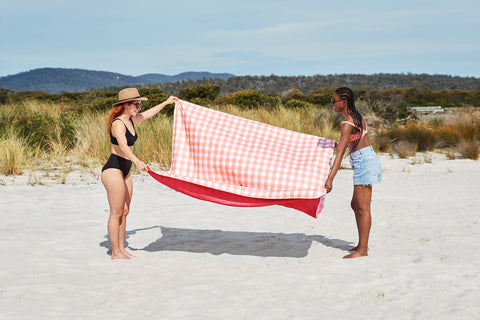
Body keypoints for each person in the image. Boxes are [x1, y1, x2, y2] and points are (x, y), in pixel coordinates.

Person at [101, 88, 178, 259]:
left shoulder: (131, 120)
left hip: (125, 169)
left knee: (125, 211)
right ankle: (115, 252)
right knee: (116, 212)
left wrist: (166, 103)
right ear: (125, 105)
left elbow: (149, 114)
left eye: (140, 104)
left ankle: (121, 249)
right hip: (113, 169)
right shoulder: (118, 123)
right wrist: (136, 160)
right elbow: (122, 145)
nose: (139, 107)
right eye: (137, 104)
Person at [325, 87, 382, 259]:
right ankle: (361, 244)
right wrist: (338, 144)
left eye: (334, 101)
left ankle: (363, 250)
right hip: (365, 160)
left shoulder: (347, 123)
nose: (332, 104)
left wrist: (330, 179)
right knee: (355, 205)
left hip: (364, 162)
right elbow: (354, 140)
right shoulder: (358, 117)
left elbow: (340, 154)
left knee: (363, 208)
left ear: (344, 102)